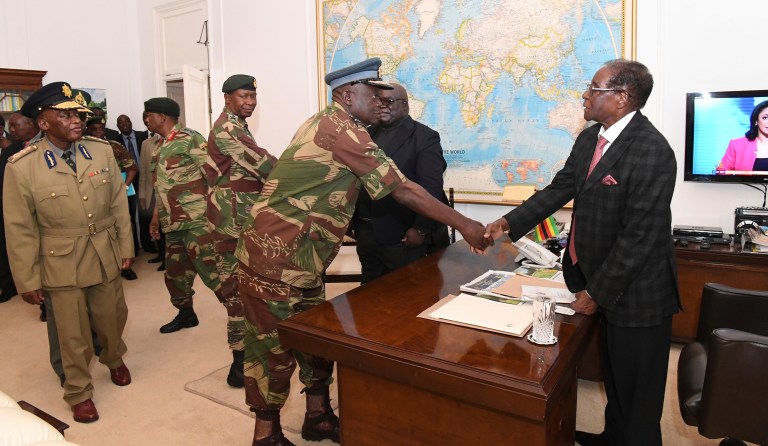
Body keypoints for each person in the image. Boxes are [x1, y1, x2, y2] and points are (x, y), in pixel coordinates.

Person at [236, 57, 489, 446]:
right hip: (274, 258)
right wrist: (466, 224)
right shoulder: (341, 130)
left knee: (315, 341)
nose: (380, 101)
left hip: (303, 260)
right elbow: (403, 188)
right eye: (373, 93)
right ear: (348, 94)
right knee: (271, 348)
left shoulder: (334, 123)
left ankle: (318, 416)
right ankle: (265, 433)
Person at [485, 59, 679, 446]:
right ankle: (612, 438)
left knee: (637, 395)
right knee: (614, 376)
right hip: (597, 276)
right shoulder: (591, 137)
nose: (585, 96)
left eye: (594, 88)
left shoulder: (653, 150)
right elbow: (560, 188)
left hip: (637, 292)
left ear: (623, 97)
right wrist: (506, 223)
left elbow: (638, 237)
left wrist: (596, 293)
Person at [3, 82, 134, 423]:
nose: (75, 120)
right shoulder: (23, 166)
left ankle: (113, 357)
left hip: (104, 249)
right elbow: (19, 229)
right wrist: (27, 279)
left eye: (76, 113)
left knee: (113, 317)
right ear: (43, 123)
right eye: (65, 114)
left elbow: (119, 204)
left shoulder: (101, 151)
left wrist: (125, 246)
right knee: (71, 331)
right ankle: (78, 390)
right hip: (60, 258)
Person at [145, 97, 246, 387]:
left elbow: (214, 176)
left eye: (149, 115)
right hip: (172, 224)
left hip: (197, 223)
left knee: (216, 276)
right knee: (175, 274)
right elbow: (160, 187)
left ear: (162, 117)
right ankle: (185, 313)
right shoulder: (158, 147)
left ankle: (242, 326)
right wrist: (155, 218)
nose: (146, 120)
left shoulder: (191, 140)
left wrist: (219, 216)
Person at [205, 74, 277, 388]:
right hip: (230, 224)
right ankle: (238, 364)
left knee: (245, 289)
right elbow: (262, 165)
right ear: (227, 98)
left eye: (252, 97)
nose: (249, 102)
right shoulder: (228, 129)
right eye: (242, 97)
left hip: (238, 219)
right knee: (236, 293)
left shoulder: (237, 125)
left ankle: (248, 353)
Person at [353, 82, 450, 283]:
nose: (381, 105)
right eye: (377, 100)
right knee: (367, 297)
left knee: (406, 296)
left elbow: (431, 188)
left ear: (404, 105)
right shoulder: (365, 134)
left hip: (403, 236)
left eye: (388, 101)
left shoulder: (424, 137)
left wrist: (421, 229)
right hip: (367, 235)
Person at [114, 114, 151, 255]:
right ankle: (134, 247)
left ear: (131, 122)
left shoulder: (144, 135)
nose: (124, 124)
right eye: (120, 122)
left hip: (145, 178)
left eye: (126, 121)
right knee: (129, 213)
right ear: (118, 126)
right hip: (128, 179)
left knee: (145, 210)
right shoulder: (115, 141)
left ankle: (148, 244)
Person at [138, 111, 165, 269]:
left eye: (149, 118)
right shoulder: (146, 144)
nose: (147, 121)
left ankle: (168, 258)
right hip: (151, 192)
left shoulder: (170, 141)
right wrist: (142, 194)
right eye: (144, 120)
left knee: (166, 227)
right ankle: (160, 254)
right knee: (155, 226)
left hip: (165, 192)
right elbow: (143, 171)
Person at [717, 100, 768, 172]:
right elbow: (721, 172)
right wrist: (719, 168)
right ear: (756, 121)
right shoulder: (736, 145)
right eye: (765, 118)